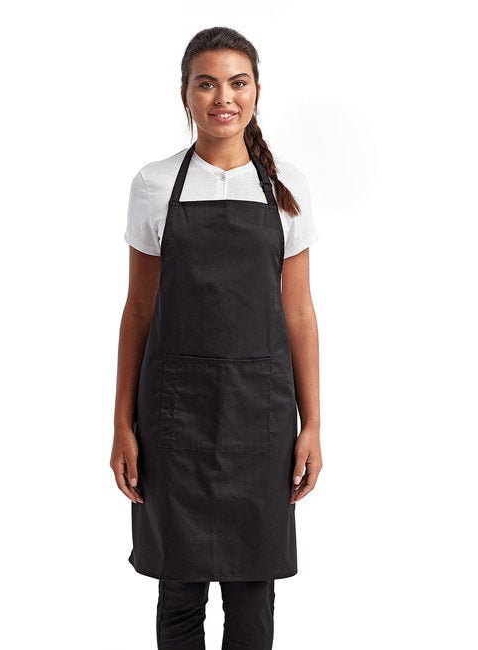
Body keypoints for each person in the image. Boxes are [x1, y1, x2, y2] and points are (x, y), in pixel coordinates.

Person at [111, 26, 322, 650]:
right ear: (185, 94)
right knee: (178, 594)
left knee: (253, 599)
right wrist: (122, 423)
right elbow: (138, 311)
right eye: (206, 83)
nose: (222, 97)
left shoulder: (286, 187)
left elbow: (300, 313)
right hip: (174, 417)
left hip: (261, 417)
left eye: (237, 82)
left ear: (256, 91)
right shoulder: (153, 185)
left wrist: (312, 423)